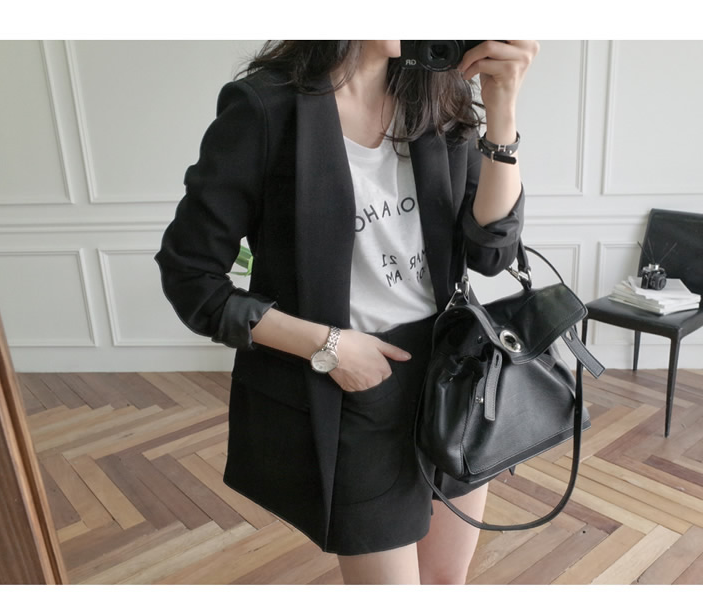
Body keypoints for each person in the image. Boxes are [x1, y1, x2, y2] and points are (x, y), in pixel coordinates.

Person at [155, 40, 537, 584]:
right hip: (356, 384)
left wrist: (502, 107)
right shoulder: (266, 108)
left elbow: (492, 252)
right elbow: (190, 276)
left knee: (445, 582)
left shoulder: (437, 93)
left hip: (454, 377)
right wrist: (329, 346)